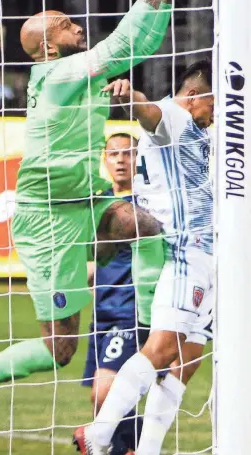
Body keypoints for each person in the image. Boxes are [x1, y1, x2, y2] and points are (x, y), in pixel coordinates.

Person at [0, 0, 200, 438]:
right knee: (61, 349)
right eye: (67, 24)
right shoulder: (58, 74)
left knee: (142, 225)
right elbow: (126, 44)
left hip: (82, 202)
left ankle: (146, 339)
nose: (77, 26)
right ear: (49, 45)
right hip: (48, 219)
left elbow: (135, 47)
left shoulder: (75, 73)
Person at [83, 62, 251, 455]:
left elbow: (237, 150)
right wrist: (128, 96)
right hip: (182, 250)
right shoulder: (173, 116)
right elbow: (148, 109)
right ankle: (97, 435)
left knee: (187, 360)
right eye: (215, 105)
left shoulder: (204, 130)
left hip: (207, 257)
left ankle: (148, 450)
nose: (218, 114)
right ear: (194, 97)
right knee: (164, 349)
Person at [73, 133, 165, 455]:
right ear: (105, 159)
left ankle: (137, 445)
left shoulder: (147, 202)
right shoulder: (97, 204)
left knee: (105, 393)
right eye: (114, 154)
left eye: (128, 153)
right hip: (102, 313)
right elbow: (91, 264)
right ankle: (134, 447)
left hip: (130, 312)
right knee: (101, 406)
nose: (121, 160)